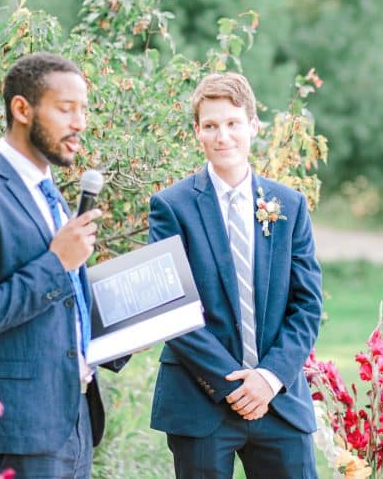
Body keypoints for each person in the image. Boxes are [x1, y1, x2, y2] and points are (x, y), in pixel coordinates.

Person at [0, 52, 122, 478]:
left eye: (83, 110)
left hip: (70, 425)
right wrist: (57, 263)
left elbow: (60, 308)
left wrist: (129, 329)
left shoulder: (49, 196)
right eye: (65, 109)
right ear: (22, 109)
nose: (80, 124)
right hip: (10, 433)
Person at [148, 72, 323, 478]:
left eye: (232, 123)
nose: (222, 136)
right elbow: (172, 308)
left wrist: (269, 378)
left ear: (253, 126)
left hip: (279, 401)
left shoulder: (289, 206)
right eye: (210, 126)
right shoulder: (171, 207)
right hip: (201, 400)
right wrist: (234, 386)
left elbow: (307, 304)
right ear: (197, 131)